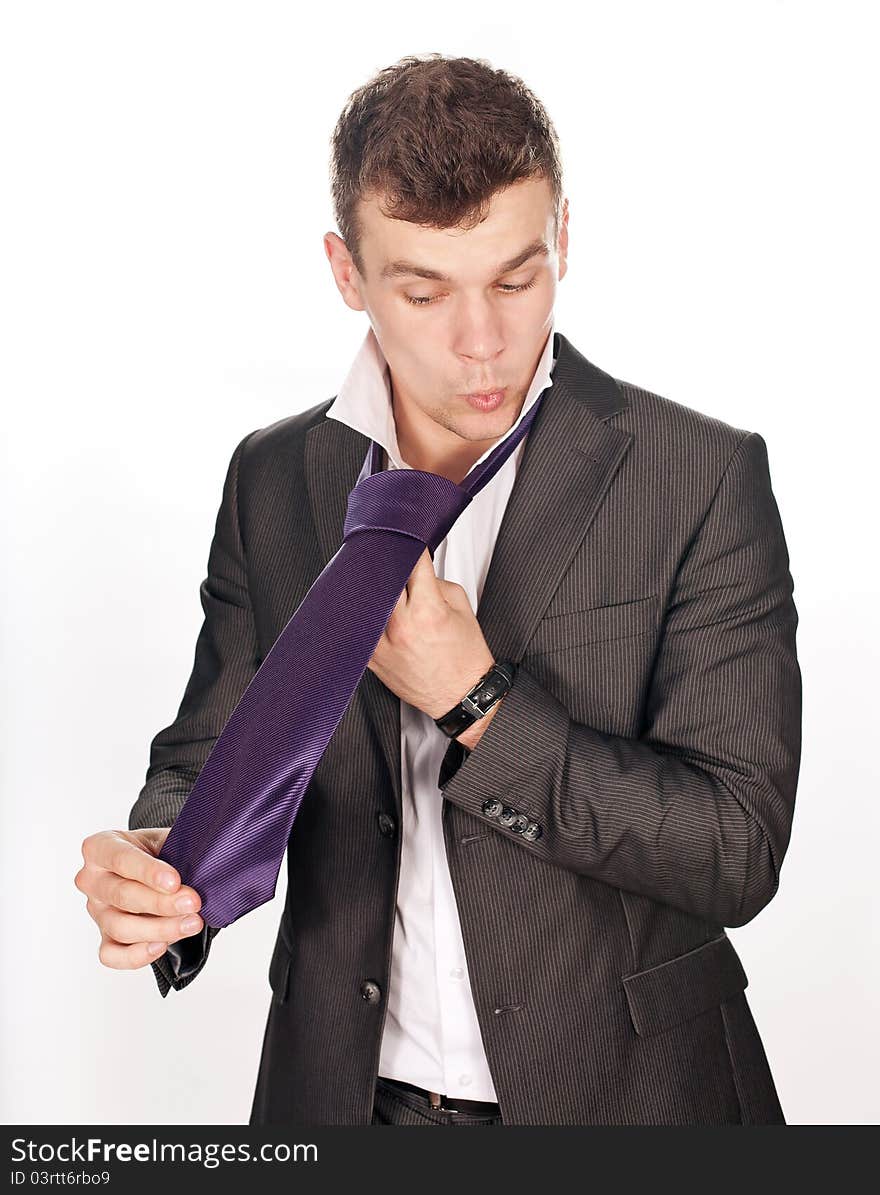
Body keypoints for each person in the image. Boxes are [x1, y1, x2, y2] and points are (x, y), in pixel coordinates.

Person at [74, 53, 802, 1126]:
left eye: (517, 278)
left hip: (630, 1102)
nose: (483, 341)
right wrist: (162, 868)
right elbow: (209, 754)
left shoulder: (694, 475)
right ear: (345, 272)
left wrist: (479, 703)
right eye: (423, 290)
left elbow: (735, 848)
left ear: (564, 238)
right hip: (340, 1097)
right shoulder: (274, 479)